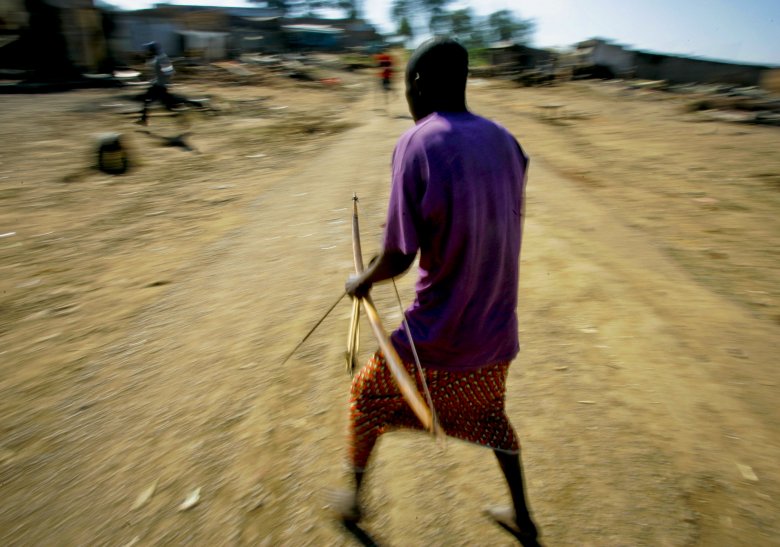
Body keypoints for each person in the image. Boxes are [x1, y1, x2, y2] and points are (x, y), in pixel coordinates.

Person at [338, 38, 541, 546]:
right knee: (490, 417)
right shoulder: (507, 141)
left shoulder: (417, 142)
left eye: (407, 86)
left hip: (439, 338)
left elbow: (400, 257)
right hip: (495, 335)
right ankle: (523, 517)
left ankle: (353, 504)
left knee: (366, 397)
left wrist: (360, 282)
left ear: (419, 87)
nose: (407, 99)